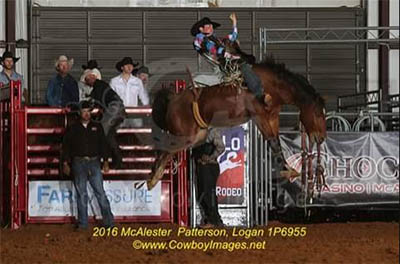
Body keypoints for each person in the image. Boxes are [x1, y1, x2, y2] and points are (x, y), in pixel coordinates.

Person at [191, 14, 269, 107]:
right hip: (220, 66)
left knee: (247, 63)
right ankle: (259, 95)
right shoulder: (200, 39)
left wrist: (234, 23)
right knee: (243, 66)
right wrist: (231, 56)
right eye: (208, 26)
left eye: (212, 26)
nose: (211, 28)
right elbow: (214, 50)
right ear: (201, 29)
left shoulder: (215, 39)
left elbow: (232, 37)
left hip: (225, 62)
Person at [62, 100, 114, 230]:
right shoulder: (73, 128)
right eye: (84, 112)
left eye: (88, 112)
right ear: (80, 113)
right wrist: (65, 162)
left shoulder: (97, 126)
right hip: (79, 162)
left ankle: (108, 222)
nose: (86, 114)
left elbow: (103, 145)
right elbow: (66, 146)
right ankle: (83, 223)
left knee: (99, 192)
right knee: (82, 193)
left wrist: (106, 161)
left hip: (93, 161)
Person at [83, 69, 126, 169]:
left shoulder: (98, 86)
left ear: (91, 77)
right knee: (109, 135)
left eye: (87, 79)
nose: (86, 82)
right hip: (119, 109)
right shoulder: (102, 85)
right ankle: (117, 159)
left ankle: (105, 159)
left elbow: (92, 103)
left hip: (113, 108)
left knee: (101, 132)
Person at [192, 128, 225, 227]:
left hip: (209, 165)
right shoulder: (197, 131)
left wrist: (210, 157)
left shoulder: (212, 130)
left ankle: (213, 220)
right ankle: (214, 220)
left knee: (207, 193)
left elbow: (221, 147)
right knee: (203, 193)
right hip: (202, 165)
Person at [110, 57, 149, 127]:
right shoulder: (114, 81)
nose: (129, 67)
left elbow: (143, 96)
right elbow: (110, 98)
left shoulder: (137, 81)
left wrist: (146, 107)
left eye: (131, 65)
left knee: (137, 135)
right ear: (122, 67)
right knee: (119, 135)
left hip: (134, 115)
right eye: (127, 65)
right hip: (120, 115)